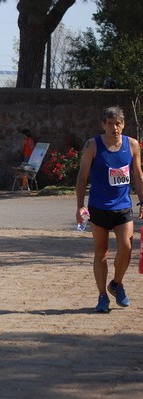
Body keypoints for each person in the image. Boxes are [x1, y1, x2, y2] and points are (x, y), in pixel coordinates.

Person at [75, 106, 143, 313]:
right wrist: (80, 206)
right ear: (103, 124)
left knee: (126, 247)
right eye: (111, 123)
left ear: (124, 124)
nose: (115, 127)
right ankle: (102, 296)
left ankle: (116, 284)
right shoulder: (92, 146)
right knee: (101, 253)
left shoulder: (132, 145)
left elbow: (138, 176)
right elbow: (82, 176)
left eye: (119, 123)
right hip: (98, 207)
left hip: (123, 207)